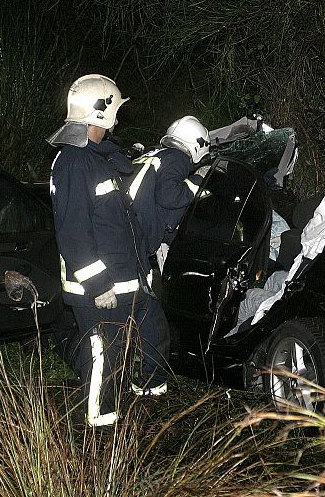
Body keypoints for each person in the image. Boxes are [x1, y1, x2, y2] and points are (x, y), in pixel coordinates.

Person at [46, 74, 166, 427]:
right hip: (97, 289)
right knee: (104, 354)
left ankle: (145, 397)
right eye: (115, 108)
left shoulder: (97, 159)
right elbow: (72, 231)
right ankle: (99, 424)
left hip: (125, 281)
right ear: (103, 111)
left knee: (150, 333)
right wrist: (98, 284)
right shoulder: (73, 162)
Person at [127, 115, 210, 272]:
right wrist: (198, 179)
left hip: (129, 227)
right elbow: (169, 196)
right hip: (139, 235)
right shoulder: (178, 158)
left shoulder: (155, 154)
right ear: (198, 146)